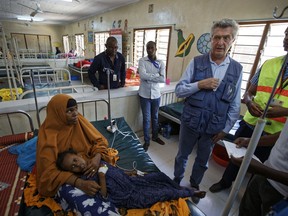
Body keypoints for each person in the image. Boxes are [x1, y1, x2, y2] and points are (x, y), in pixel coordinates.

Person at [209, 26, 288, 193]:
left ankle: (250, 192)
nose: (286, 38)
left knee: (261, 168)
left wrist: (284, 112)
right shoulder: (269, 64)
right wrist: (250, 103)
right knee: (235, 157)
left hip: (275, 133)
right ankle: (225, 182)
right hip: (250, 123)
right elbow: (249, 92)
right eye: (286, 34)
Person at [173, 18, 243, 203]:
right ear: (211, 39)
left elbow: (235, 104)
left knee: (203, 161)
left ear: (232, 41)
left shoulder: (237, 69)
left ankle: (194, 185)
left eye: (226, 38)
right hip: (190, 122)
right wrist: (199, 84)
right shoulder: (196, 62)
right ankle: (175, 181)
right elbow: (179, 90)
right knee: (182, 156)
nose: (221, 42)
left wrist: (225, 129)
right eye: (217, 37)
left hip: (213, 128)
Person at [35, 94, 120, 214]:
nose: (75, 113)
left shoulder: (78, 121)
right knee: (83, 201)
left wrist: (96, 158)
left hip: (87, 165)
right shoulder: (48, 136)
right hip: (66, 177)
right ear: (58, 114)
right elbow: (48, 173)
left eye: (76, 109)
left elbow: (99, 141)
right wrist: (79, 183)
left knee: (116, 182)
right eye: (69, 111)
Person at [56, 148, 206, 209]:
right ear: (72, 173)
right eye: (73, 167)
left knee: (159, 176)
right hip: (128, 197)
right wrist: (101, 177)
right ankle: (190, 192)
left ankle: (178, 186)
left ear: (80, 156)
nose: (77, 165)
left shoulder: (98, 161)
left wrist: (130, 173)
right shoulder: (87, 180)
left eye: (75, 160)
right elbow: (104, 197)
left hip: (132, 182)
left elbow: (115, 171)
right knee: (162, 193)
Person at [230, 106, 288, 215]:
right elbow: (283, 135)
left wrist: (262, 169)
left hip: (281, 192)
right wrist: (251, 141)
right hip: (264, 174)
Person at [138, 41, 166, 151]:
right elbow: (142, 75)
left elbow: (163, 78)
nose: (150, 50)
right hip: (144, 95)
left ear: (156, 49)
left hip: (156, 95)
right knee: (146, 118)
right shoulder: (142, 61)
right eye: (148, 48)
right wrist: (156, 75)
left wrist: (149, 77)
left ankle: (155, 137)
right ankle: (147, 141)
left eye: (152, 48)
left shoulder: (161, 63)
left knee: (155, 117)